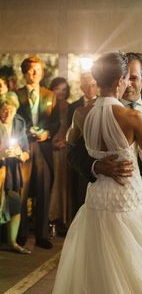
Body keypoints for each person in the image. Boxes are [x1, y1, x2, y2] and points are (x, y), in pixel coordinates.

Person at [53, 52, 142, 293]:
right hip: (127, 201)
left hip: (97, 200)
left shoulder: (81, 113)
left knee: (98, 267)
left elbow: (71, 141)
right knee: (139, 267)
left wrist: (98, 157)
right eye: (126, 78)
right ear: (119, 81)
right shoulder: (132, 117)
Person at [16, 56, 60, 249]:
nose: (35, 74)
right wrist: (26, 133)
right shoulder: (15, 95)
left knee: (43, 190)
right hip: (23, 147)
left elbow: (56, 121)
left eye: (38, 70)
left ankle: (42, 236)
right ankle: (21, 234)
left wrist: (48, 133)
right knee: (21, 191)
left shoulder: (50, 95)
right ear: (25, 72)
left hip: (43, 147)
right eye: (32, 70)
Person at [0, 92, 30, 254]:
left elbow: (26, 152)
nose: (8, 114)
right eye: (4, 110)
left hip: (12, 171)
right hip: (0, 170)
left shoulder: (19, 122)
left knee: (15, 202)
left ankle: (13, 241)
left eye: (11, 111)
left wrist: (19, 154)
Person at [67, 72, 98, 221]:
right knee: (78, 195)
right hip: (80, 156)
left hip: (98, 157)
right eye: (86, 86)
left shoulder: (107, 105)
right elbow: (70, 136)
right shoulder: (73, 107)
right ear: (81, 87)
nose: (90, 88)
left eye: (93, 84)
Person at [49, 77, 70, 235]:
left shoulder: (70, 107)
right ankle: (49, 219)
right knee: (52, 184)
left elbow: (73, 129)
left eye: (64, 90)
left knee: (64, 185)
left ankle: (63, 220)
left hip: (65, 150)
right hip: (49, 150)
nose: (61, 93)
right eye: (58, 89)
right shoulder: (47, 106)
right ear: (52, 89)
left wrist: (66, 141)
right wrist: (51, 143)